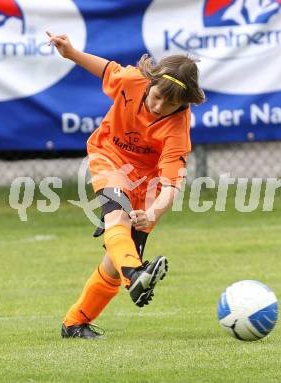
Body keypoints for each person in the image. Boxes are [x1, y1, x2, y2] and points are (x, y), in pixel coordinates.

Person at [46, 32, 205, 339]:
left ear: (184, 104)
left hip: (147, 184)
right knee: (116, 221)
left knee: (114, 260)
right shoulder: (133, 81)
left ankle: (75, 323)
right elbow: (105, 68)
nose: (159, 106)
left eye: (170, 104)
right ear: (151, 82)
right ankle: (135, 274)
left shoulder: (177, 129)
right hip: (109, 157)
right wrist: (72, 53)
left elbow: (172, 185)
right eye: (157, 96)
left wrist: (153, 214)